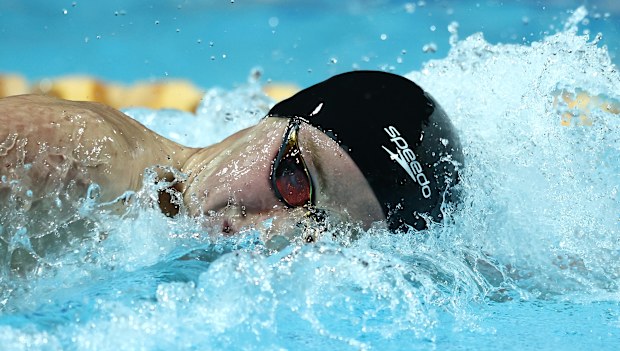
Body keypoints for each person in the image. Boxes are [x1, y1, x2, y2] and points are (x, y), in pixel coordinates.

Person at [0, 71, 463, 242]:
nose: (273, 229)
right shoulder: (88, 155)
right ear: (270, 119)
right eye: (294, 183)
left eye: (318, 232)